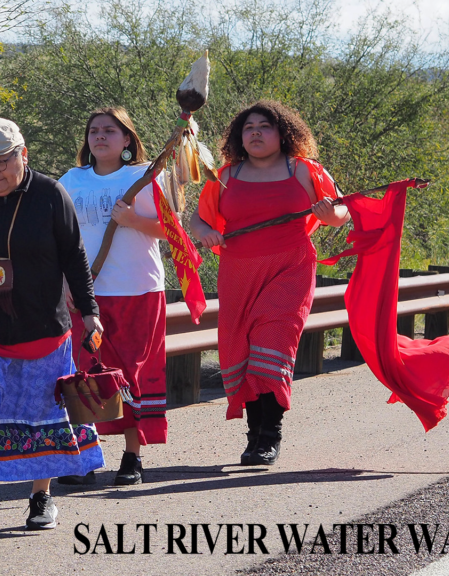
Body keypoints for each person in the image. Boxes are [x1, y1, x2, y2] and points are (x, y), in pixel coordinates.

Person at [0, 117, 105, 533]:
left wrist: (90, 311)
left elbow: (74, 258)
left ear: (22, 155)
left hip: (43, 330)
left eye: (0, 162)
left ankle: (41, 498)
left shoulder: (50, 195)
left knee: (41, 415)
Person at [190, 100, 349, 466]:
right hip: (238, 273)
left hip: (290, 268)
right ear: (239, 137)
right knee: (244, 352)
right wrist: (208, 233)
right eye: (249, 128)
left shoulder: (306, 170)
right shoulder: (225, 176)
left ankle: (269, 436)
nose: (256, 132)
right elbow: (198, 221)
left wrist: (330, 214)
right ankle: (253, 435)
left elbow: (342, 210)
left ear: (283, 134)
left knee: (271, 342)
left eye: (265, 126)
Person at [57, 107, 167, 486]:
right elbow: (56, 239)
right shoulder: (71, 180)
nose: (99, 136)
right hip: (85, 296)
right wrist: (65, 282)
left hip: (138, 289)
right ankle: (83, 456)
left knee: (132, 374)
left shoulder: (145, 176)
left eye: (109, 130)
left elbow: (173, 231)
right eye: (93, 131)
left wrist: (133, 221)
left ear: (127, 140)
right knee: (83, 374)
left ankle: (132, 457)